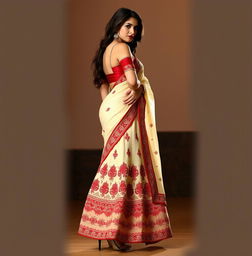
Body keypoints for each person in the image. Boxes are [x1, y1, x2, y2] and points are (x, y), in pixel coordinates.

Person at [77, 7, 173, 251]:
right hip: (124, 108)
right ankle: (116, 231)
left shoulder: (103, 51)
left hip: (110, 108)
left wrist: (110, 110)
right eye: (128, 26)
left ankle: (109, 227)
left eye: (136, 27)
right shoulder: (121, 48)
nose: (132, 31)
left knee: (115, 166)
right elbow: (132, 82)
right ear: (117, 25)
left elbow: (102, 86)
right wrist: (139, 87)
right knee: (126, 167)